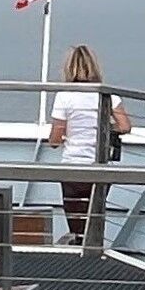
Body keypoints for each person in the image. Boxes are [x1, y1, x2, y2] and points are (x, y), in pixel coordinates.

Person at [46, 42, 132, 245]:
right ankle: (94, 249)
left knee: (76, 222)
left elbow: (55, 139)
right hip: (99, 166)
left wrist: (63, 136)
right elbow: (125, 126)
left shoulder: (64, 96)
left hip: (73, 167)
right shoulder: (108, 95)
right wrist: (103, 127)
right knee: (95, 215)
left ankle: (79, 247)